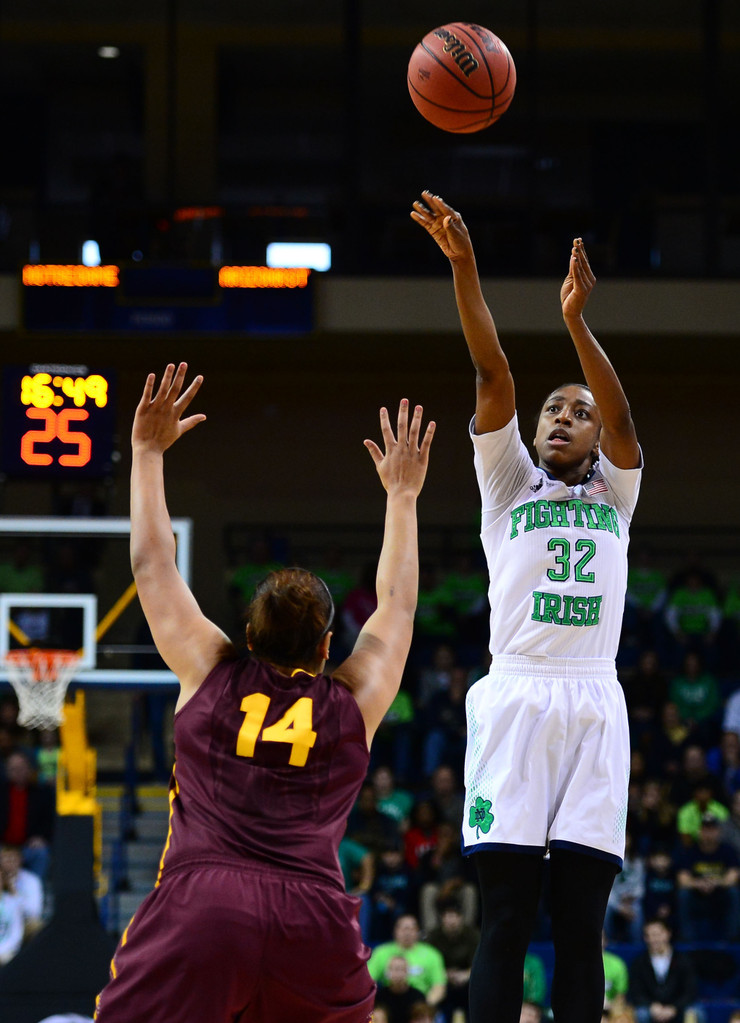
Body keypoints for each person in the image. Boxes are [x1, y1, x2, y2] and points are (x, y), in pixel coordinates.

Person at [93, 364, 435, 1023]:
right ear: (328, 645)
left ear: (247, 635)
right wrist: (402, 495)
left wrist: (145, 453)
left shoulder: (209, 668)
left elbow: (152, 563)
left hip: (205, 903)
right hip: (313, 917)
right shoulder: (353, 699)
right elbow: (397, 603)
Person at [412, 190, 642, 1023]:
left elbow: (621, 415)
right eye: (556, 407)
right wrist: (465, 264)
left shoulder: (617, 491)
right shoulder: (507, 484)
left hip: (592, 699)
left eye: (577, 413)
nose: (565, 417)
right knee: (506, 917)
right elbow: (492, 373)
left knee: (581, 923)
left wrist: (579, 324)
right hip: (514, 693)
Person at [367, 914, 447, 1009]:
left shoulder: (432, 954)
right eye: (403, 929)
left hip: (419, 1004)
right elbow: (368, 981)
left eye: (412, 929)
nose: (407, 933)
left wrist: (424, 1006)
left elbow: (439, 987)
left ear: (418, 931)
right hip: (388, 1004)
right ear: (395, 931)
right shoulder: (381, 952)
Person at [628, 919, 698, 1023]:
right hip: (651, 1008)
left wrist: (674, 1008)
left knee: (695, 1013)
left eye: (657, 934)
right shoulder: (639, 963)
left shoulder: (683, 961)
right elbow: (636, 992)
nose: (654, 939)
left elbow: (690, 991)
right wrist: (652, 1006)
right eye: (649, 935)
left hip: (676, 1007)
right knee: (640, 1013)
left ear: (668, 934)